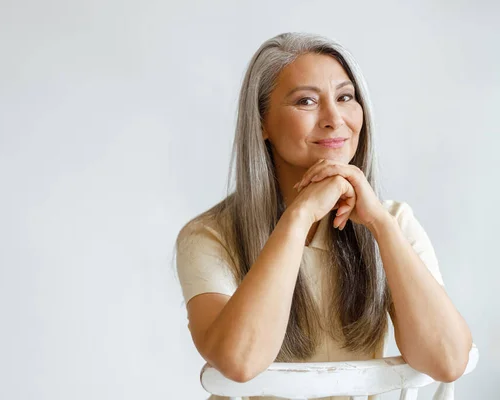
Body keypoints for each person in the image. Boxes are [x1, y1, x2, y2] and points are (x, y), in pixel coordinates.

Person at [174, 32, 472, 400]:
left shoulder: (394, 222)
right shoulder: (209, 237)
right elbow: (239, 362)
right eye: (306, 101)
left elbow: (448, 360)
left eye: (345, 97)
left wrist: (379, 223)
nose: (335, 119)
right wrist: (298, 218)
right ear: (262, 122)